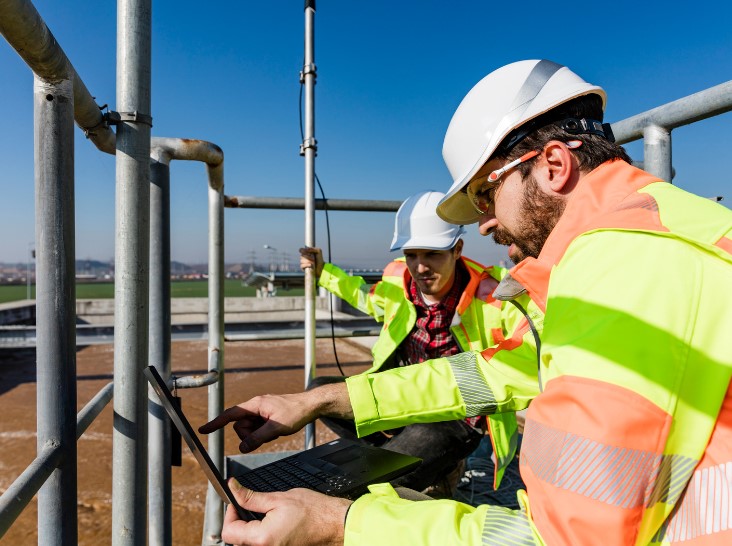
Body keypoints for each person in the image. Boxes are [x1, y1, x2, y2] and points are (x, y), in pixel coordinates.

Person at [201, 59, 732, 545]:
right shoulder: (641, 244)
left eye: (485, 193)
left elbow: (566, 539)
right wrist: (313, 401)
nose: (484, 221)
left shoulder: (628, 270)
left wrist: (341, 524)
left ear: (552, 164)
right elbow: (484, 374)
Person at [298, 190, 529, 496]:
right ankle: (415, 458)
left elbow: (528, 347)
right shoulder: (397, 279)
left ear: (457, 249)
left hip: (456, 415)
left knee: (378, 483)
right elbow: (367, 299)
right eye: (412, 254)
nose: (420, 267)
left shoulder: (495, 295)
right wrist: (324, 272)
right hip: (403, 399)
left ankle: (417, 465)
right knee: (320, 392)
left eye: (432, 254)